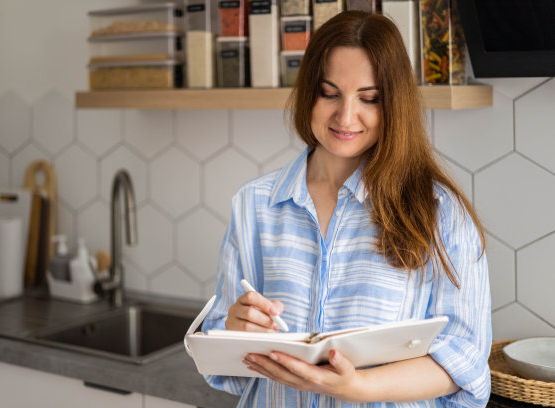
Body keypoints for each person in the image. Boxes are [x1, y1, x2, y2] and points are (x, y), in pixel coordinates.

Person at [201, 10, 492, 408]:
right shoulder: (255, 204)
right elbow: (221, 348)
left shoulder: (440, 212)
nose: (346, 116)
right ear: (309, 92)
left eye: (369, 98)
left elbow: (465, 359)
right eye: (329, 93)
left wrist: (358, 388)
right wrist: (234, 329)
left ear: (394, 104)